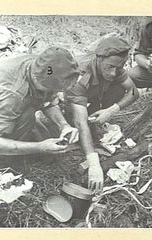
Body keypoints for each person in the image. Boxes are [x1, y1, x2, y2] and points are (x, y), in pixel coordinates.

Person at [64, 36, 139, 193]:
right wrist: (94, 164)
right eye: (110, 67)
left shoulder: (114, 65)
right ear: (98, 58)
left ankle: (95, 121)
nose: (113, 73)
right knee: (78, 126)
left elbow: (133, 92)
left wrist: (111, 110)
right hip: (67, 106)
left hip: (90, 99)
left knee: (119, 89)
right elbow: (80, 123)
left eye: (119, 68)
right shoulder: (79, 75)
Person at [0, 47, 80, 165]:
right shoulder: (12, 95)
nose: (55, 94)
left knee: (46, 136)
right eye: (53, 90)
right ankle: (1, 162)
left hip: (6, 107)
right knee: (28, 116)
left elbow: (49, 101)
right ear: (36, 79)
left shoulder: (45, 66)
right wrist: (39, 147)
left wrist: (64, 125)